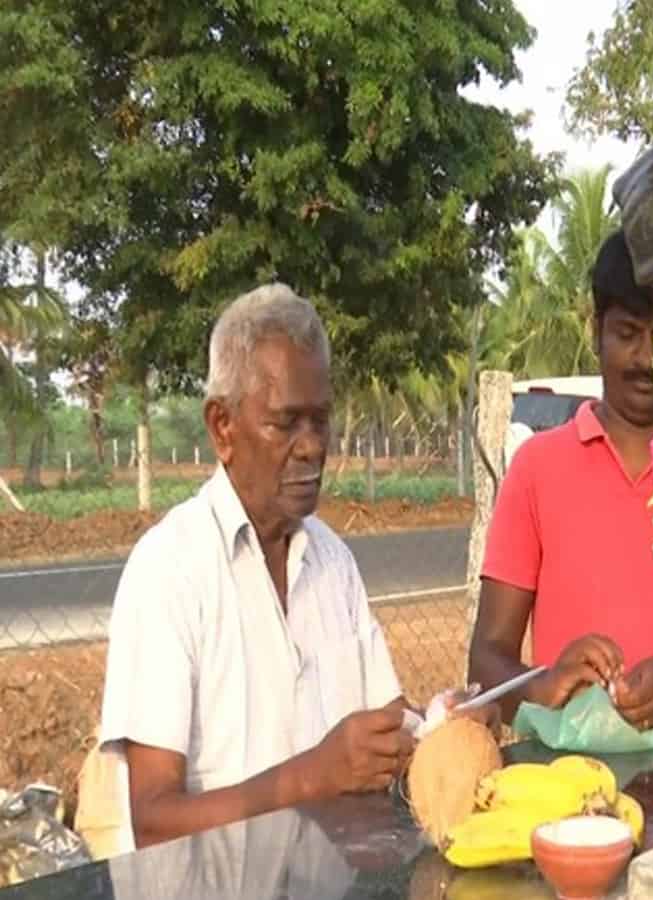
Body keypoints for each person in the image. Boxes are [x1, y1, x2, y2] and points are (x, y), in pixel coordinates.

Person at [85, 284, 492, 853]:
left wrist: (444, 726)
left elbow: (388, 725)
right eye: (285, 424)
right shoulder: (169, 571)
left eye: (320, 421)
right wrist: (313, 776)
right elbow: (152, 821)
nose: (311, 448)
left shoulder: (333, 562)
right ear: (222, 427)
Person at [468, 230, 653, 731]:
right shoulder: (537, 468)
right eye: (627, 334)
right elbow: (485, 662)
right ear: (595, 332)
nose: (646, 360)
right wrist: (542, 686)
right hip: (565, 785)